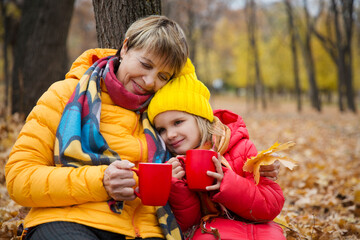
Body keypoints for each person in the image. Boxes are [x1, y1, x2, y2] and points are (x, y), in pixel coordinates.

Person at [5, 15, 189, 240]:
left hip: (146, 231)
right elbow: (19, 178)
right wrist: (101, 181)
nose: (150, 81)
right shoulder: (65, 94)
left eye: (163, 76)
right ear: (125, 47)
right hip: (68, 221)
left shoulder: (162, 116)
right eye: (145, 64)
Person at [147, 59, 286, 240]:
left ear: (201, 119)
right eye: (161, 130)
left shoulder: (241, 148)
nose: (170, 134)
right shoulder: (176, 164)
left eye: (178, 122)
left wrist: (227, 183)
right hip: (212, 233)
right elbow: (188, 224)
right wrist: (177, 187)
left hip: (260, 231)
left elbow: (270, 205)